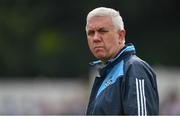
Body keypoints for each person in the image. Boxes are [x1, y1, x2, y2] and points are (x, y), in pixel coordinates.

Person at [85, 7, 159, 115]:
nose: (95, 38)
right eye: (91, 33)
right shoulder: (108, 73)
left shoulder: (134, 68)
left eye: (102, 31)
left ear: (120, 35)